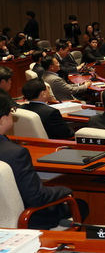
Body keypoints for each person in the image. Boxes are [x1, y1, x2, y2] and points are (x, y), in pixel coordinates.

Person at [0, 92, 89, 228]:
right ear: (2, 120)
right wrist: (64, 190)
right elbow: (36, 197)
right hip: (27, 219)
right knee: (81, 205)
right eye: (11, 112)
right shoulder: (16, 154)